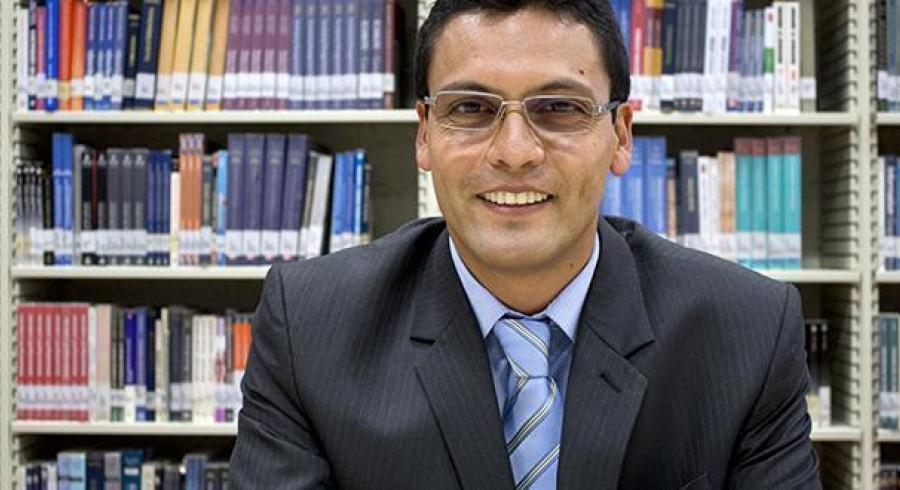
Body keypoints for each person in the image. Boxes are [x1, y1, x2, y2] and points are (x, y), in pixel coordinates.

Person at [229, 0, 822, 488]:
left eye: (559, 108)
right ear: (424, 136)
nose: (514, 152)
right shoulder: (308, 328)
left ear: (620, 137)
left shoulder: (747, 331)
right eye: (470, 108)